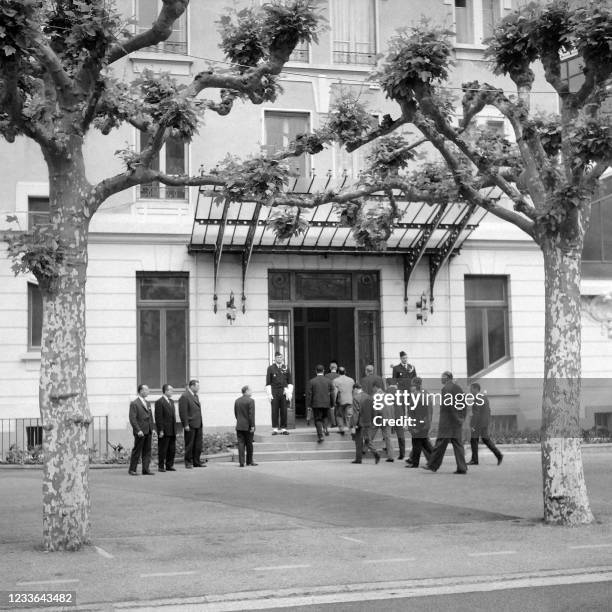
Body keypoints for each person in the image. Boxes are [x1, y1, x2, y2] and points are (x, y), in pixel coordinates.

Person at [423, 371, 468, 474]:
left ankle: (432, 465)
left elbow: (449, 405)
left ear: (447, 378)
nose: (441, 379)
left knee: (440, 444)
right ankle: (462, 467)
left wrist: (457, 418)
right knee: (458, 444)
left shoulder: (446, 389)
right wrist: (462, 418)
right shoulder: (458, 388)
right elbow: (464, 404)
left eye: (442, 377)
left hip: (448, 422)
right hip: (456, 422)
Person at [469, 382, 503, 466]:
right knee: (485, 440)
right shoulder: (484, 397)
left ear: (476, 389)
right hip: (484, 422)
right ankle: (499, 455)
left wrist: (472, 425)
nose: (470, 391)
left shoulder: (477, 398)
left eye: (471, 389)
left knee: (473, 440)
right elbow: (488, 410)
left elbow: (476, 413)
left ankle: (474, 460)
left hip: (479, 423)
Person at [405, 378, 433, 468]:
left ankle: (415, 463)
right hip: (424, 422)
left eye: (412, 385)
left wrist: (413, 425)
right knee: (424, 443)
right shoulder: (426, 393)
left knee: (417, 443)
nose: (410, 387)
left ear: (416, 385)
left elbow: (414, 412)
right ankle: (434, 458)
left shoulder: (416, 395)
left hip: (418, 423)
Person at [128, 384, 154, 476]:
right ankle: (132, 469)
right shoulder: (134, 403)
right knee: (137, 450)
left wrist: (152, 428)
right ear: (141, 391)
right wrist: (138, 430)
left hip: (148, 430)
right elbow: (132, 418)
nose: (148, 391)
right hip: (140, 431)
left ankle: (146, 469)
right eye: (146, 390)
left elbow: (150, 417)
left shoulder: (148, 403)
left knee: (147, 451)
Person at [351, 383, 380, 464]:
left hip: (360, 422)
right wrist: (373, 420)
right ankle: (375, 453)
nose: (353, 392)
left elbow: (356, 413)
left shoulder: (356, 398)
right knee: (367, 439)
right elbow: (374, 410)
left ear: (356, 389)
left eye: (353, 390)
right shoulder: (369, 397)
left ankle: (359, 459)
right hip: (368, 422)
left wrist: (354, 424)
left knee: (358, 441)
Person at [179, 379, 204, 469]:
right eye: (197, 386)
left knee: (198, 444)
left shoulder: (195, 396)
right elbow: (183, 412)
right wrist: (185, 424)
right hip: (190, 424)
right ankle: (188, 462)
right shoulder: (185, 396)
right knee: (189, 444)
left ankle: (196, 461)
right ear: (192, 386)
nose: (199, 388)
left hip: (198, 423)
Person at [306, 365, 335, 443]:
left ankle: (320, 436)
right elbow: (332, 393)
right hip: (326, 402)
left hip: (316, 403)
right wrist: (332, 403)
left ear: (316, 371)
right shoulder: (329, 381)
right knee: (325, 416)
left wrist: (309, 405)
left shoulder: (312, 381)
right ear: (323, 371)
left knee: (318, 419)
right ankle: (325, 428)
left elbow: (309, 394)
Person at [265, 352, 293, 435]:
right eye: (277, 357)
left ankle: (284, 428)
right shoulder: (270, 368)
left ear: (282, 358)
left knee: (284, 410)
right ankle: (275, 429)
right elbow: (268, 382)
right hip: (274, 392)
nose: (279, 359)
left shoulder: (286, 368)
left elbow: (290, 381)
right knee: (274, 410)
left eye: (280, 357)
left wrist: (289, 392)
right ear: (275, 358)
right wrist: (269, 394)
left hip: (284, 392)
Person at [154, 384, 176, 472]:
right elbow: (158, 418)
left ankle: (169, 465)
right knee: (163, 449)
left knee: (172, 449)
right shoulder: (160, 402)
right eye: (171, 390)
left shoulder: (171, 401)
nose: (172, 392)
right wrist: (161, 430)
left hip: (172, 429)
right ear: (166, 391)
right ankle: (161, 466)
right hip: (164, 430)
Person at [371, 380, 395, 462]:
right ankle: (391, 456)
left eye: (373, 388)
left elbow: (375, 409)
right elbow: (392, 408)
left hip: (379, 419)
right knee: (388, 438)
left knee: (370, 436)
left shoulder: (375, 396)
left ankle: (363, 450)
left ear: (375, 387)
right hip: (388, 419)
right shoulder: (387, 395)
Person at [234, 385, 257, 467]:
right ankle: (249, 461)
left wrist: (240, 421)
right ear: (246, 391)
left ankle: (241, 462)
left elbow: (236, 414)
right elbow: (251, 415)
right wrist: (252, 426)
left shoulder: (237, 401)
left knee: (241, 444)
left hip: (239, 426)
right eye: (250, 390)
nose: (251, 392)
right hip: (248, 426)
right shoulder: (251, 401)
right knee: (249, 444)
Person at [386, 383, 407, 460]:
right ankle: (402, 453)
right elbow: (404, 406)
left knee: (387, 434)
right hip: (400, 415)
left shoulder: (387, 391)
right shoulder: (401, 392)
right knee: (400, 434)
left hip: (390, 414)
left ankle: (388, 450)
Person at [332, 366, 355, 435]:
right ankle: (351, 429)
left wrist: (333, 402)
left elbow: (335, 392)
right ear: (345, 372)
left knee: (339, 415)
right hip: (350, 399)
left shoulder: (335, 380)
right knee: (349, 415)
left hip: (341, 401)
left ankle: (341, 429)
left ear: (338, 372)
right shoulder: (351, 380)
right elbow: (354, 391)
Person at [324, 361, 340, 431]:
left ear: (330, 368)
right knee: (338, 409)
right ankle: (338, 422)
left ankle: (333, 423)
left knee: (331, 408)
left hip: (329, 394)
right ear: (336, 368)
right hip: (338, 394)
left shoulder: (326, 376)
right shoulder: (339, 376)